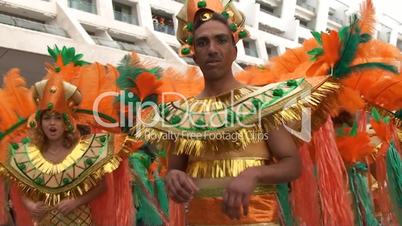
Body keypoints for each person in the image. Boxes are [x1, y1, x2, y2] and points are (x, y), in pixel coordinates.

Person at [132, 0, 338, 225]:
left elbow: (292, 164)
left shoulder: (260, 103)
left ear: (234, 50)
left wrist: (254, 174)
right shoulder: (181, 115)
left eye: (220, 40)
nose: (212, 49)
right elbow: (175, 171)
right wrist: (174, 178)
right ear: (194, 54)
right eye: (202, 43)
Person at [0, 47, 136, 226]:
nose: (52, 123)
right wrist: (31, 206)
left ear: (67, 123)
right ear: (40, 123)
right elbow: (22, 188)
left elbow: (102, 186)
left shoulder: (87, 149)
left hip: (80, 221)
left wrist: (76, 201)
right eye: (47, 118)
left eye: (58, 118)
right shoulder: (27, 153)